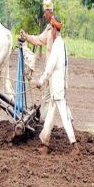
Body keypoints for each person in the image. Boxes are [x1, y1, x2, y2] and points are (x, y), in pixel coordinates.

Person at [20, 0, 72, 122]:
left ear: (50, 12)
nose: (44, 14)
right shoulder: (49, 28)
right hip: (52, 74)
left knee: (52, 100)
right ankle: (61, 122)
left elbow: (54, 58)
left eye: (45, 12)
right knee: (54, 100)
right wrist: (26, 36)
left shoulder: (54, 30)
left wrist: (43, 79)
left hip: (54, 73)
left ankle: (47, 123)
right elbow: (39, 39)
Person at [36, 16, 79, 156]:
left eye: (51, 29)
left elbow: (50, 66)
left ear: (55, 29)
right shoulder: (62, 44)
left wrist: (41, 80)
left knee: (65, 118)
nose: (51, 32)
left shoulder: (57, 45)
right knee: (49, 116)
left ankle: (74, 146)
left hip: (58, 87)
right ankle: (44, 144)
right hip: (58, 86)